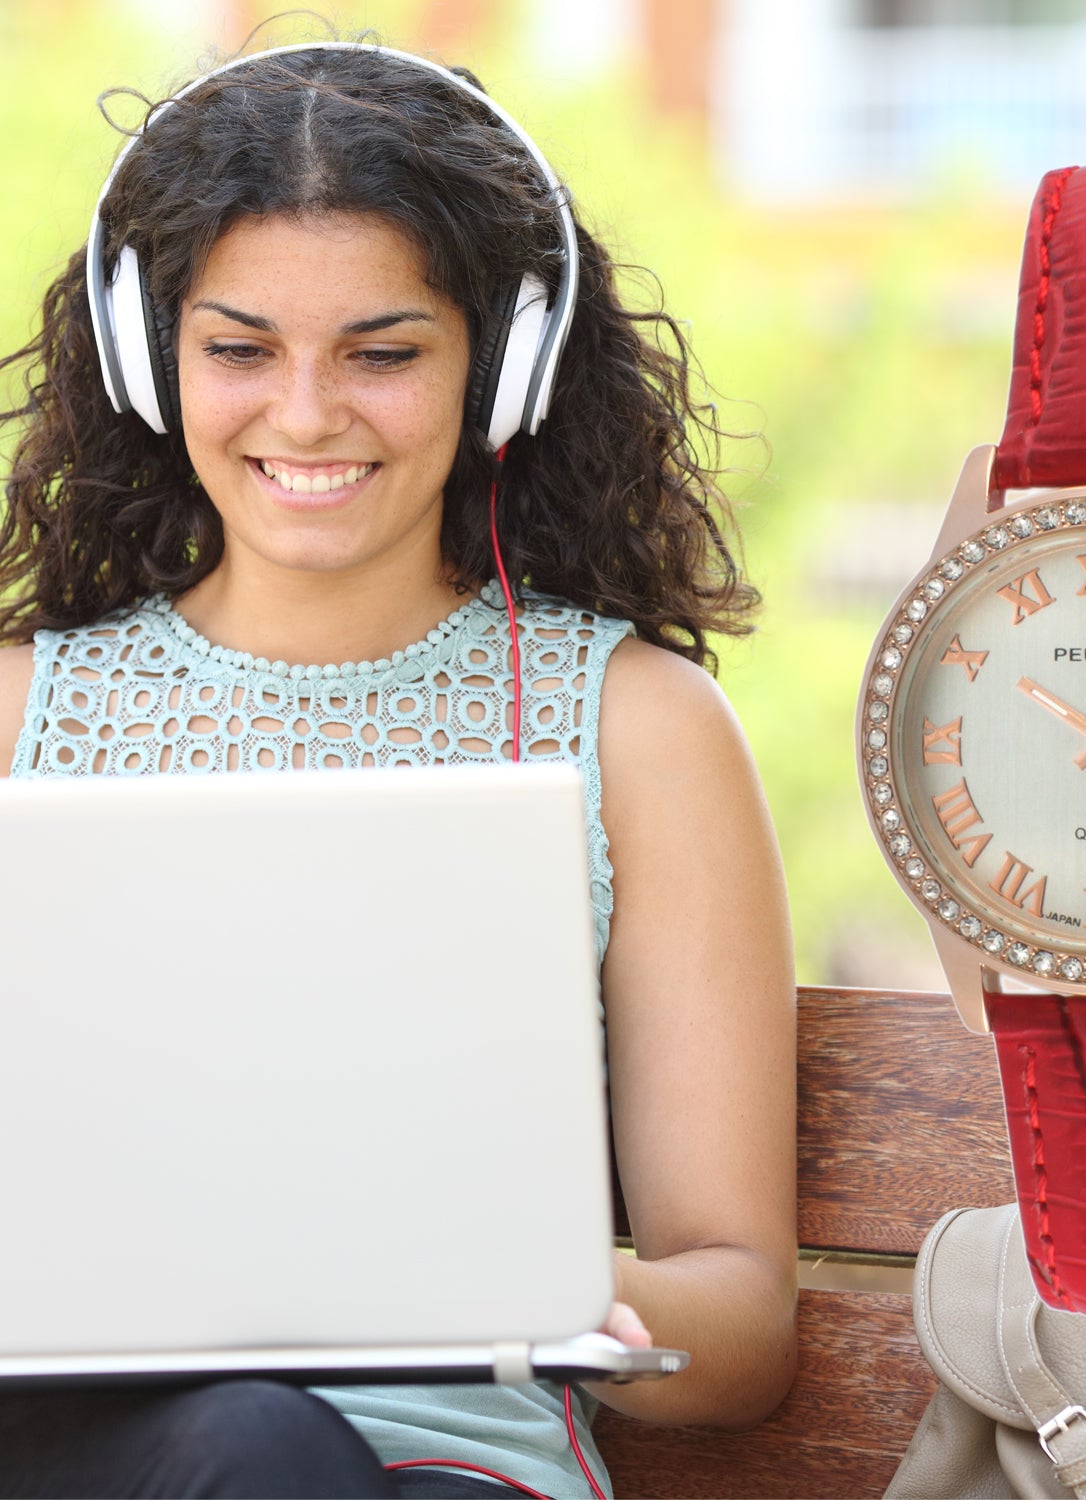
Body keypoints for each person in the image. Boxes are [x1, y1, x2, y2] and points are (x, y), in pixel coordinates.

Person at [0, 37, 797, 1500]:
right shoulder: (14, 718)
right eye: (239, 349)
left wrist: (547, 1286)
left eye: (383, 353)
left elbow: (741, 1317)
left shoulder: (636, 728)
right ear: (144, 353)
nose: (305, 414)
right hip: (66, 1444)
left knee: (263, 1452)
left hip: (440, 1469)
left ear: (503, 367)